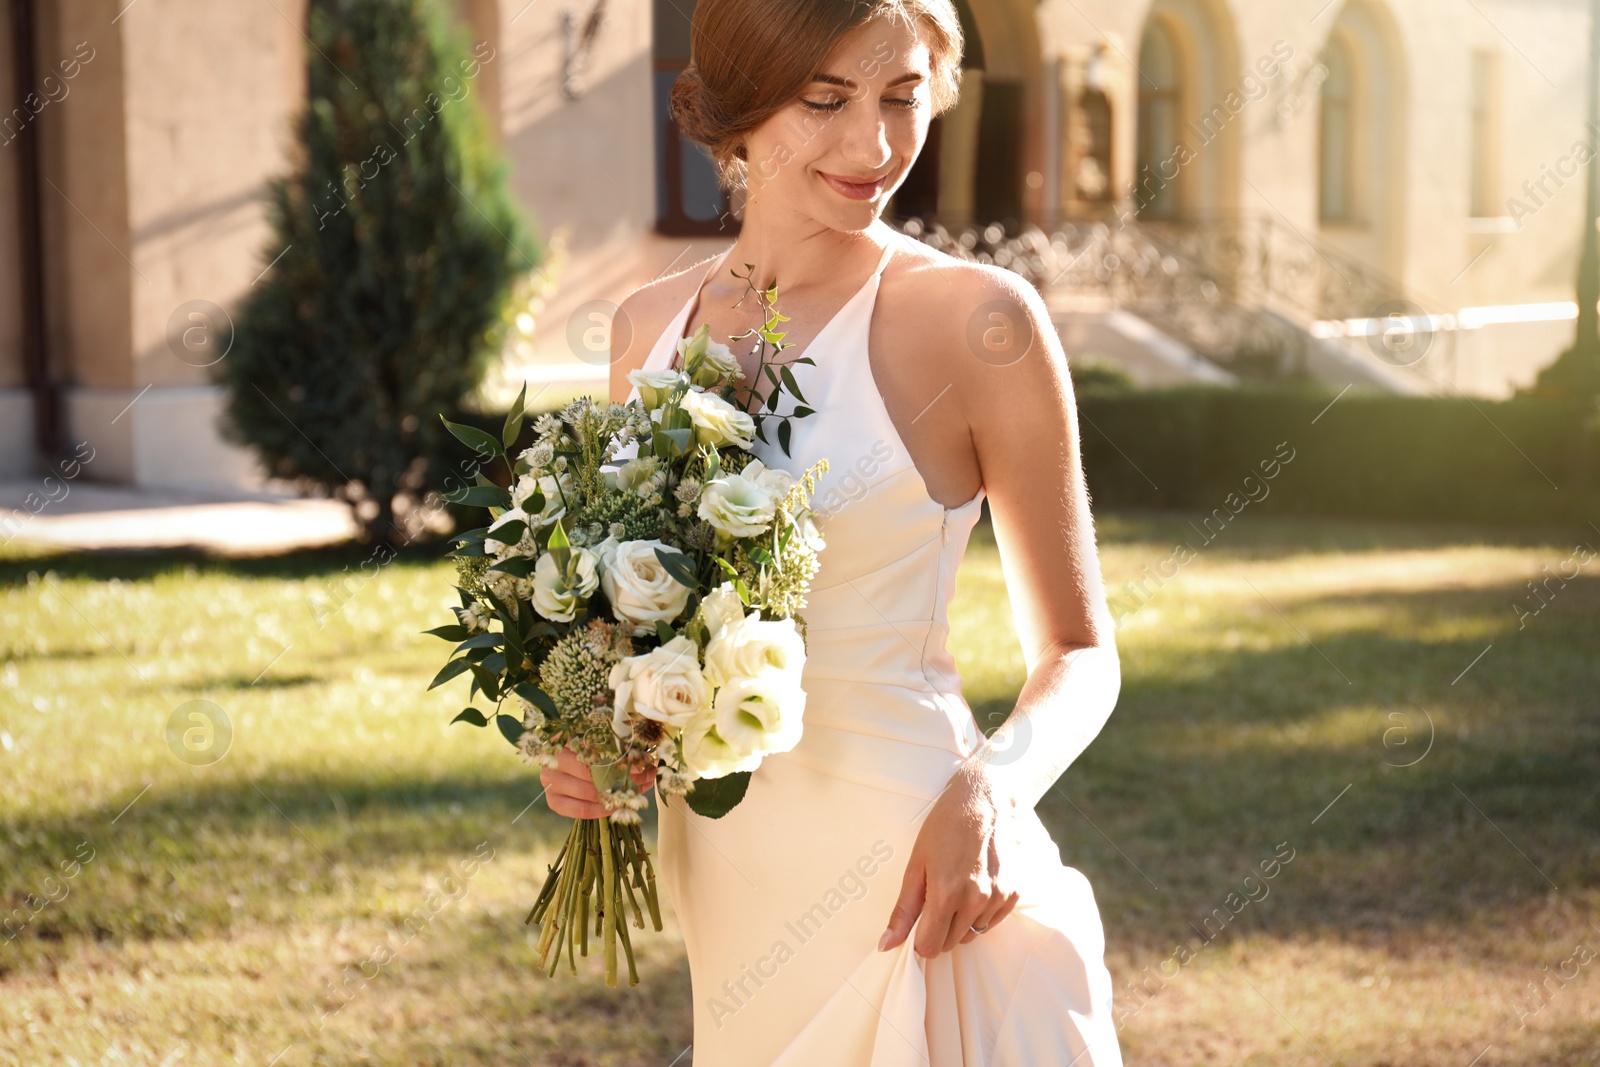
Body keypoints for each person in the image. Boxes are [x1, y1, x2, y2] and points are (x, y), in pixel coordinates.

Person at [540, 0, 1125, 1061]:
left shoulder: (978, 320)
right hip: (731, 879)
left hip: (923, 877)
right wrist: (593, 742)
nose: (877, 145)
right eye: (825, 101)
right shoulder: (642, 332)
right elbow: (629, 623)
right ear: (740, 111)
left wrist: (989, 789)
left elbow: (1082, 653)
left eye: (902, 97)